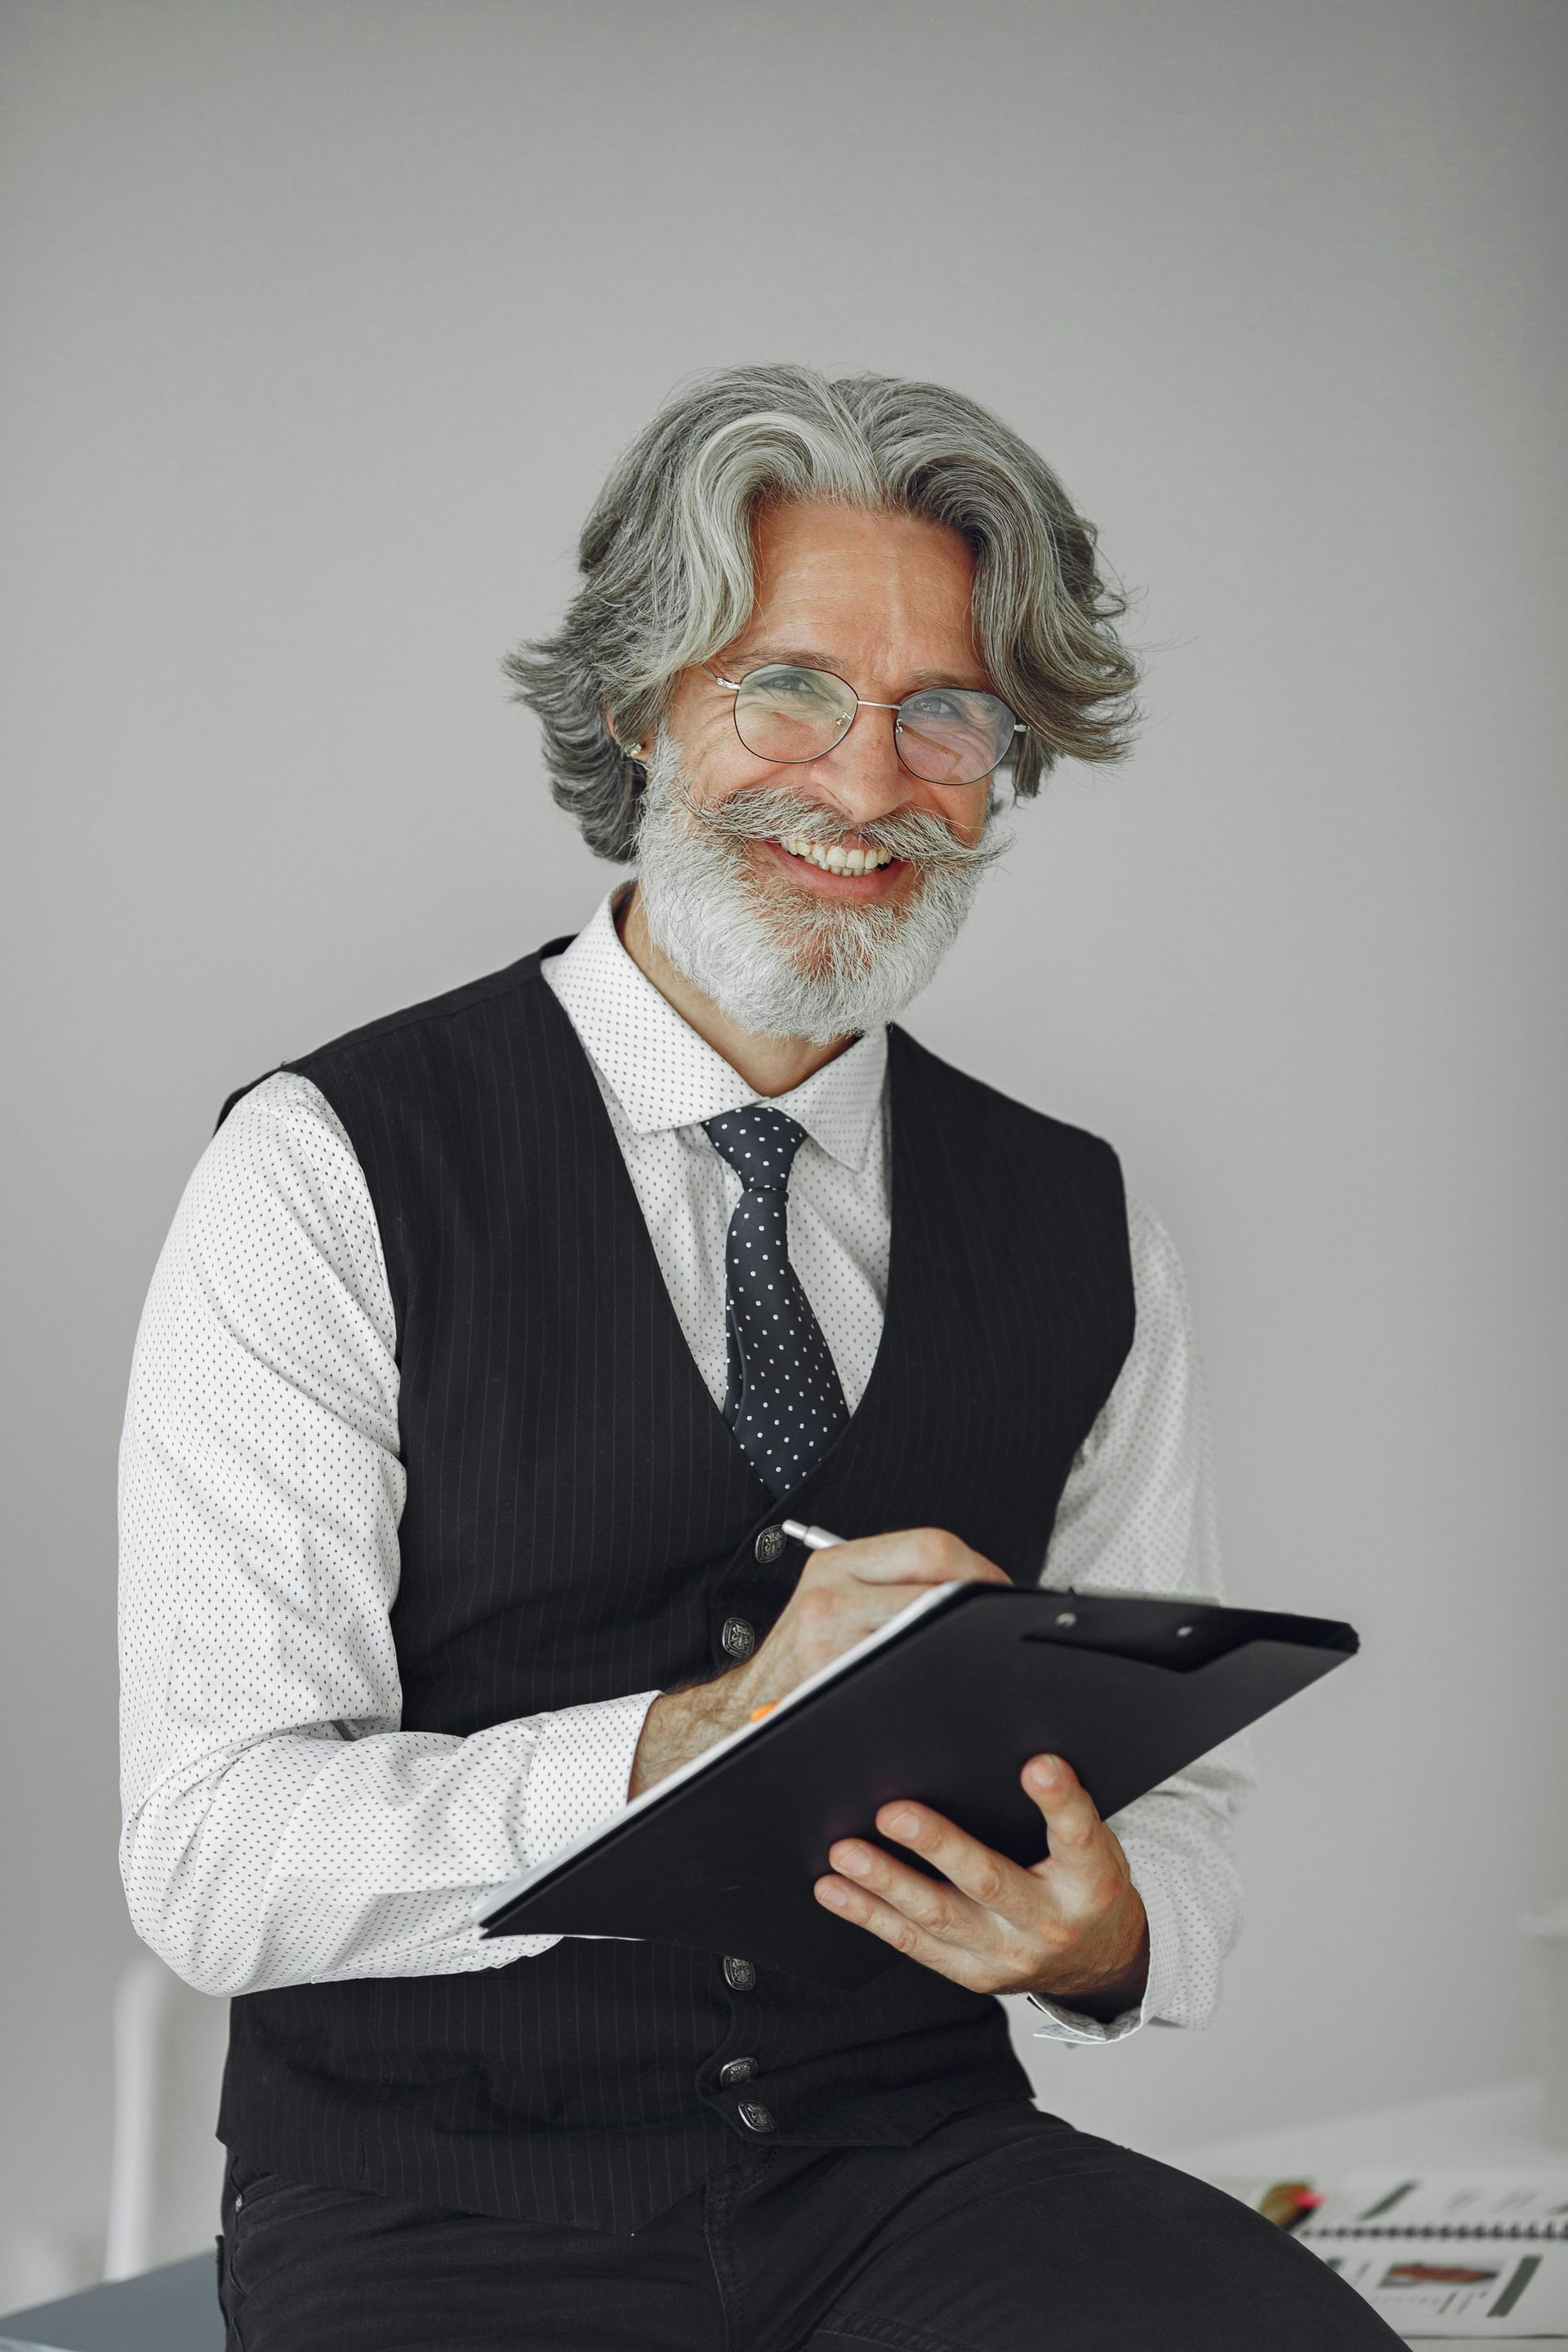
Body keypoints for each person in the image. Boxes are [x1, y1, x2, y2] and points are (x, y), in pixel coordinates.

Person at [118, 364, 1396, 2349]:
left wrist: (1113, 1932)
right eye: (788, 688)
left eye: (945, 712)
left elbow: (1175, 1797)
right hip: (437, 2211)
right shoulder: (325, 1168)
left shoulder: (1079, 1218)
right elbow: (213, 1856)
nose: (869, 788)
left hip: (913, 2167)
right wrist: (683, 1741)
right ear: (642, 706)